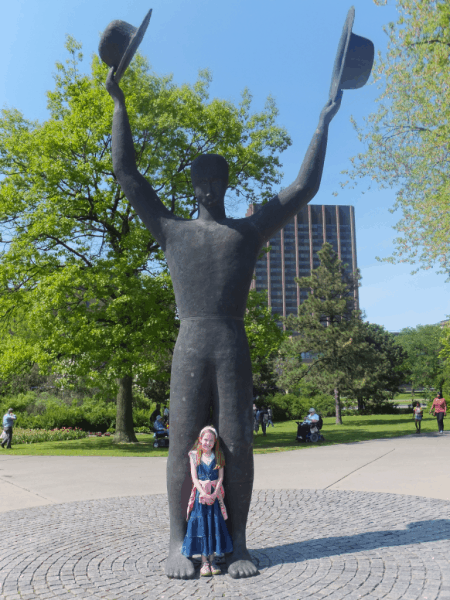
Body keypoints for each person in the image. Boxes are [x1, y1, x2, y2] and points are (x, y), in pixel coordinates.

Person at [106, 56, 342, 580]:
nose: (209, 187)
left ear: (226, 184)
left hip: (231, 341)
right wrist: (118, 101)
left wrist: (323, 121)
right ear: (192, 186)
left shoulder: (247, 231)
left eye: (216, 179)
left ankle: (237, 545)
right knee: (182, 438)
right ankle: (176, 541)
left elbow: (303, 188)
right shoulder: (172, 229)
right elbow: (127, 174)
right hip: (191, 339)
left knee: (238, 440)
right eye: (201, 180)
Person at [182, 426, 233, 576]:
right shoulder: (194, 456)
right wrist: (203, 493)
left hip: (215, 498)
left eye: (211, 440)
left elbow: (221, 477)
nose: (207, 443)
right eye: (205, 440)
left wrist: (215, 493)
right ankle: (204, 561)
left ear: (214, 442)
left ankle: (213, 560)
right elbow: (194, 478)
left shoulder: (218, 456)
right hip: (201, 498)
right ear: (200, 439)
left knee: (214, 526)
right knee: (203, 527)